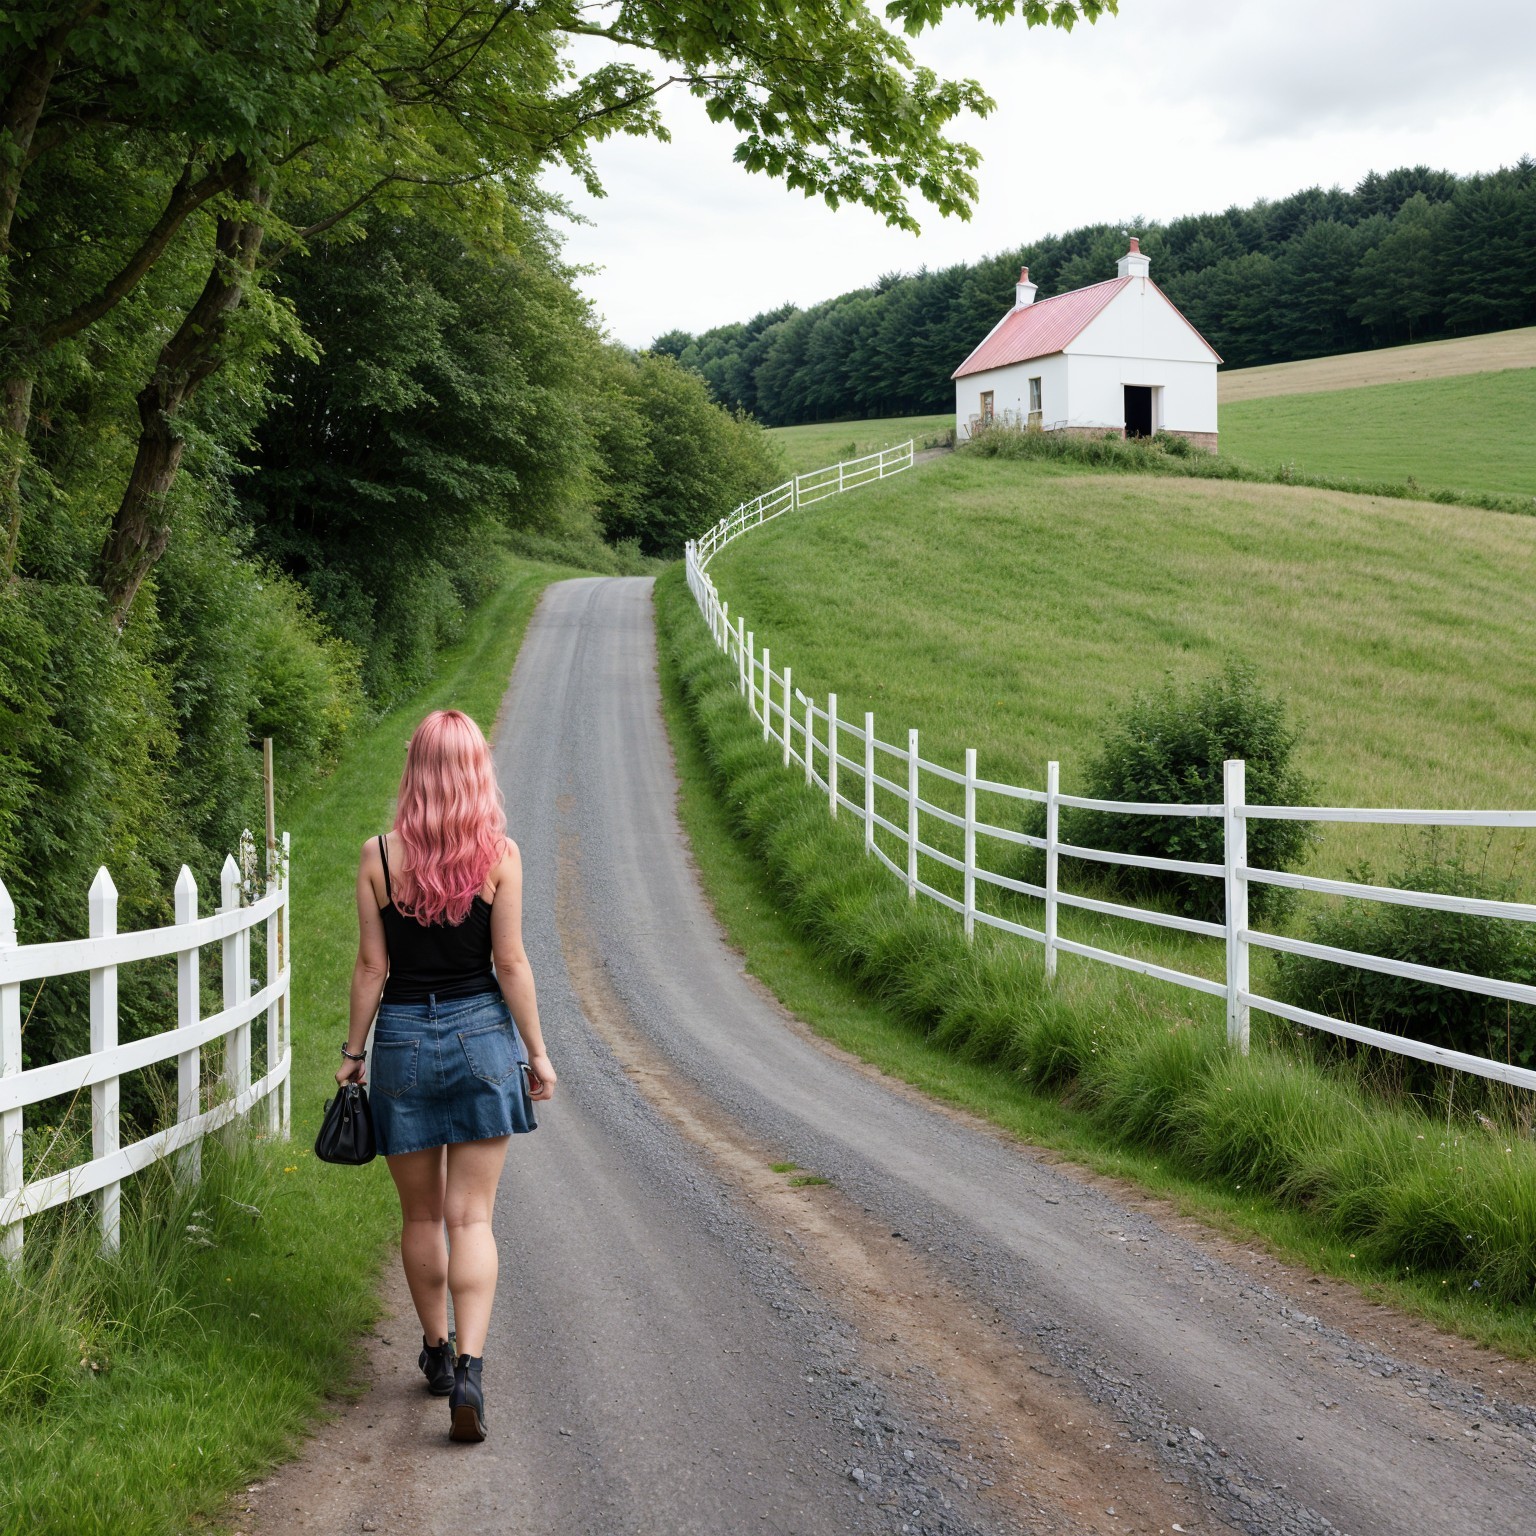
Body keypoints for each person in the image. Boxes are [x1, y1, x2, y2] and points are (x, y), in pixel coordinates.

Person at [335, 708, 556, 1443]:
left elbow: (372, 966)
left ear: (416, 770)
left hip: (400, 1039)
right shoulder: (499, 855)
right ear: (474, 771)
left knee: (423, 1217)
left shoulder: (379, 858)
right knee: (472, 1218)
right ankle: (470, 1368)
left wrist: (353, 1054)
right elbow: (511, 964)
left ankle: (433, 1351)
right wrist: (539, 1053)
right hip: (482, 1039)